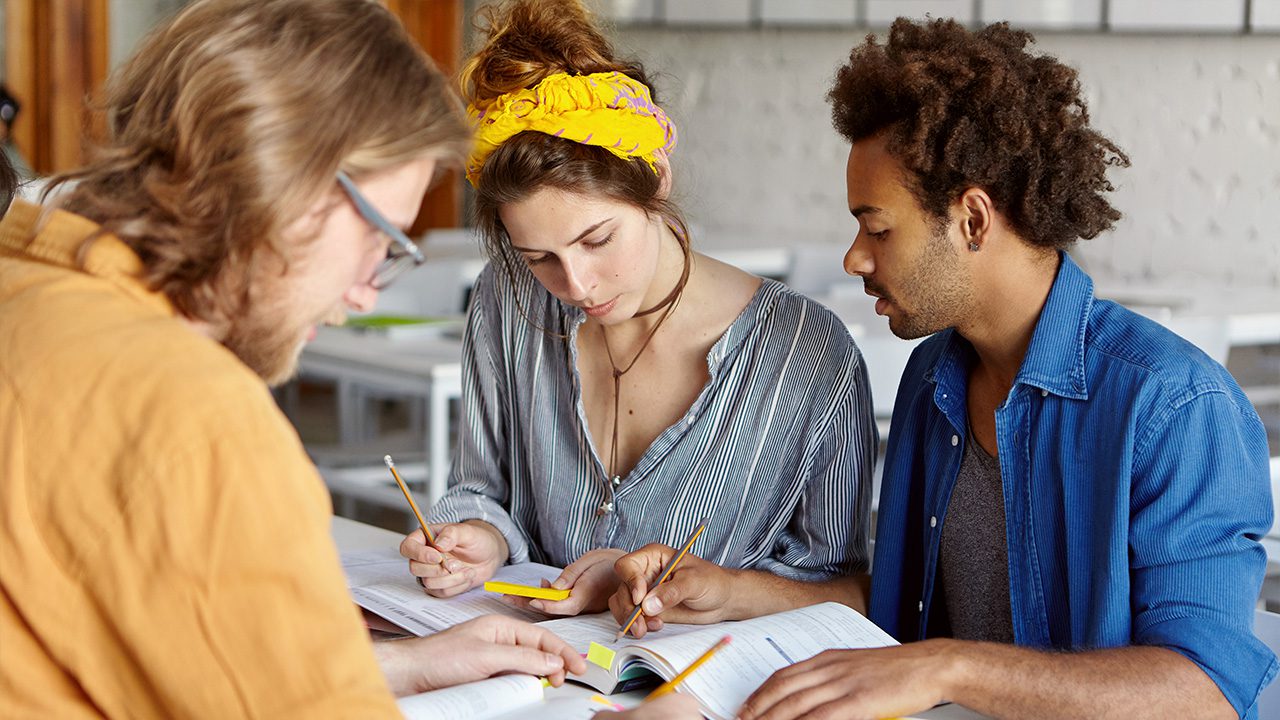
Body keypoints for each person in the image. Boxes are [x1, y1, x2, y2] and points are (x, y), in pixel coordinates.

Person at [0, 0, 651, 716]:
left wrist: (403, 665)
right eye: (383, 239)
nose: (368, 291)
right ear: (293, 181)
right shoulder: (193, 416)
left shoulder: (24, 282)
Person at [733, 18, 1275, 720]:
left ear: (974, 220)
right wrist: (736, 591)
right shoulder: (933, 375)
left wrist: (950, 666)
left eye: (877, 229)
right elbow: (906, 608)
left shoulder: (1173, 404)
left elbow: (1205, 691)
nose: (854, 259)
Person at [400, 0, 876, 634]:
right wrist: (480, 539)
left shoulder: (809, 356)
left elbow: (845, 592)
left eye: (598, 240)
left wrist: (684, 586)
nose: (577, 284)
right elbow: (480, 487)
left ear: (655, 179)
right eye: (540, 256)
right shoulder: (508, 296)